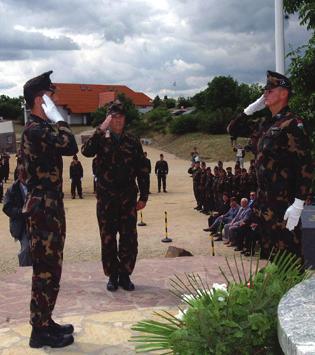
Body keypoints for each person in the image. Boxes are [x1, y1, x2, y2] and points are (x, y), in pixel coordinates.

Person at [227, 70, 313, 258]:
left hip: (284, 204)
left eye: (270, 90)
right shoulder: (265, 124)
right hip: (264, 205)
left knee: (288, 260)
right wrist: (250, 109)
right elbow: (232, 128)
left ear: (283, 93)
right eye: (264, 91)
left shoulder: (293, 124)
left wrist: (299, 203)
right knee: (270, 259)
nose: (265, 94)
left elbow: (306, 166)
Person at [21, 71, 78, 348]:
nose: (54, 99)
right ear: (39, 99)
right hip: (44, 208)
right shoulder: (36, 129)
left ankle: (45, 321)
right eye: (50, 95)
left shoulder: (39, 129)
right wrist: (59, 118)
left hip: (48, 206)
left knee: (51, 269)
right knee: (45, 269)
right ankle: (38, 330)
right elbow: (71, 145)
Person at [81, 99, 149, 292]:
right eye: (114, 117)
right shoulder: (101, 139)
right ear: (109, 119)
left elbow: (142, 170)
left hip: (128, 199)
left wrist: (143, 196)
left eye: (121, 117)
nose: (118, 121)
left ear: (125, 119)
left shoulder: (132, 141)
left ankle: (125, 275)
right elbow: (85, 151)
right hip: (106, 200)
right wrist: (100, 129)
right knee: (108, 238)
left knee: (129, 238)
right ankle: (112, 275)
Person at [3, 166, 32, 266]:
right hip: (21, 225)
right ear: (19, 176)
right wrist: (21, 211)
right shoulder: (12, 189)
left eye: (27, 177)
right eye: (23, 177)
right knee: (26, 248)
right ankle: (25, 270)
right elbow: (7, 208)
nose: (25, 180)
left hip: (36, 222)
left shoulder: (35, 187)